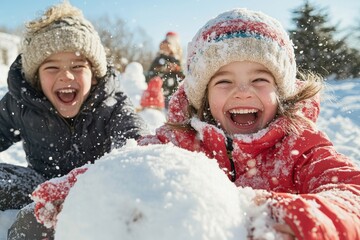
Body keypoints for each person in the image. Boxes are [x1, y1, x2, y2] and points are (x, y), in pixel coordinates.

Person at [29, 8, 360, 240]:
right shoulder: (181, 142)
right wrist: (74, 189)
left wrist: (305, 216)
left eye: (259, 79)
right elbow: (126, 166)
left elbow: (351, 193)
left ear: (282, 92)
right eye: (224, 82)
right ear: (202, 97)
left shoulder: (301, 146)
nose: (243, 91)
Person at [1, 2, 148, 239]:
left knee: (32, 225)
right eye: (51, 67)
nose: (66, 75)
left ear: (94, 72)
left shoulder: (111, 104)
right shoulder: (22, 103)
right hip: (39, 187)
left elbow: (136, 142)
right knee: (30, 221)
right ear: (37, 77)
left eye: (78, 66)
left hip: (95, 188)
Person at [146, 31, 185, 108]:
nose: (167, 48)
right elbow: (150, 76)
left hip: (175, 95)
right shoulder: (158, 60)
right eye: (165, 46)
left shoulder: (177, 60)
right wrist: (162, 70)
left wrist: (177, 69)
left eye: (169, 45)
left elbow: (184, 76)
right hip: (160, 95)